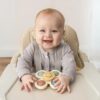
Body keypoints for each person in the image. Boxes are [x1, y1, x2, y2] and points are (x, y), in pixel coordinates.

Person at [16, 8, 76, 94]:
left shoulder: (65, 49)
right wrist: (25, 75)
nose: (48, 35)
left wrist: (66, 77)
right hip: (36, 86)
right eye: (42, 30)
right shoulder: (33, 47)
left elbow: (70, 65)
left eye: (54, 31)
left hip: (57, 87)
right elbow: (22, 61)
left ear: (63, 34)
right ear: (35, 33)